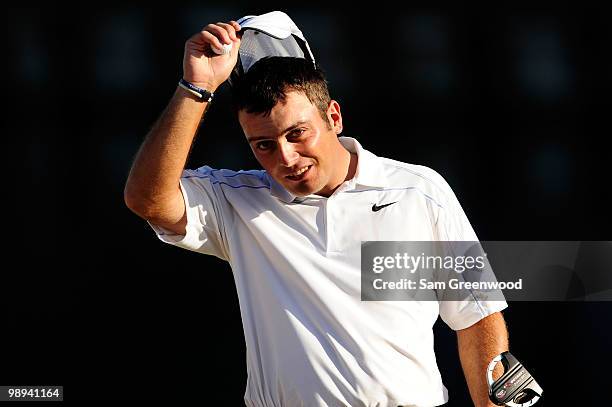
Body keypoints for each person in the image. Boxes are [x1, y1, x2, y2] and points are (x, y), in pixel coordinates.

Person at [124, 11, 509, 407]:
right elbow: (147, 199)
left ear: (334, 116)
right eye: (264, 145)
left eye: (297, 133)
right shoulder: (236, 200)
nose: (286, 157)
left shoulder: (418, 191)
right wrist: (196, 87)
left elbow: (477, 316)